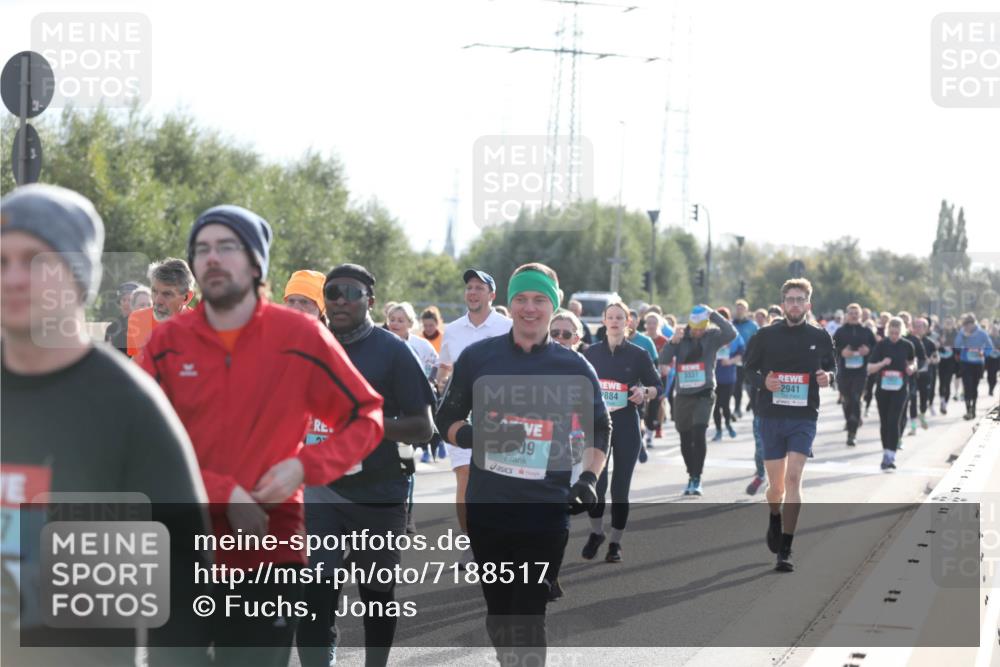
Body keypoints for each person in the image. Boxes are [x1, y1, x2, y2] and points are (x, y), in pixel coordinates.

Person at [138, 205, 385, 667]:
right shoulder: (167, 343)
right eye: (202, 249)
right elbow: (139, 444)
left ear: (256, 263)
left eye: (226, 247)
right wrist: (223, 492)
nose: (212, 258)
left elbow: (365, 415)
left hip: (270, 548)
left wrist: (304, 467)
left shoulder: (299, 336)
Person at [1, 184, 208, 667]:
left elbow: (183, 588)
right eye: (2, 260)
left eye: (35, 260)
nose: (13, 277)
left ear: (78, 277)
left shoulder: (129, 406)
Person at [435, 262, 611, 665]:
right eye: (521, 299)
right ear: (510, 304)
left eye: (539, 300)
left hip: (545, 509)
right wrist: (478, 437)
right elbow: (445, 420)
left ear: (553, 306)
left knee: (529, 612)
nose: (529, 308)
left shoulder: (572, 366)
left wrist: (588, 477)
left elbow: (600, 427)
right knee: (500, 614)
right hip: (488, 507)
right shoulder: (479, 358)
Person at [296, 264, 435, 667]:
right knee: (315, 591)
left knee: (376, 594)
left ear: (369, 301)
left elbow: (423, 427)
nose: (340, 300)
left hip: (379, 491)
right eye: (332, 293)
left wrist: (366, 424)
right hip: (320, 492)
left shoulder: (392, 351)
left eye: (351, 293)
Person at [744, 278, 836, 573]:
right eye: (790, 300)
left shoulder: (820, 336)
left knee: (794, 478)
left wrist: (828, 377)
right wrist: (764, 382)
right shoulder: (765, 335)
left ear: (808, 304)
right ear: (783, 304)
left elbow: (831, 367)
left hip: (804, 417)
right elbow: (748, 370)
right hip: (771, 416)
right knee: (776, 488)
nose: (795, 305)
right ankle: (774, 514)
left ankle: (786, 548)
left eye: (800, 299)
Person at [437, 269, 512, 567]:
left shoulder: (508, 327)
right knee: (465, 477)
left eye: (479, 287)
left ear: (491, 295)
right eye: (469, 287)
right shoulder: (454, 329)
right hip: (463, 415)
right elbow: (445, 366)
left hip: (501, 415)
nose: (472, 292)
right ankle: (470, 543)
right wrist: (442, 385)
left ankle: (501, 541)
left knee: (499, 480)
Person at [581, 301, 661, 563]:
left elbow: (657, 386)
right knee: (596, 484)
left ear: (628, 322)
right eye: (610, 317)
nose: (615, 321)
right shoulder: (591, 353)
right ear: (604, 321)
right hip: (598, 425)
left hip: (626, 423)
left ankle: (615, 542)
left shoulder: (638, 354)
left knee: (620, 489)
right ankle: (596, 533)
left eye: (619, 317)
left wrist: (644, 392)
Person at [658, 305, 737, 495]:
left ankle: (697, 477)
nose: (698, 332)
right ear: (690, 326)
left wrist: (713, 314)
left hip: (705, 392)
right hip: (683, 394)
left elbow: (731, 333)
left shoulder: (712, 337)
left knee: (698, 433)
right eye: (695, 329)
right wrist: (672, 342)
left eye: (702, 328)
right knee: (685, 438)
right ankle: (691, 473)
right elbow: (663, 360)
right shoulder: (680, 337)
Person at [744, 307, 784, 495]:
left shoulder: (795, 352)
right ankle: (761, 474)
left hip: (789, 410)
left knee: (783, 448)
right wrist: (762, 381)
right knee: (761, 445)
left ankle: (777, 482)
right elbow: (748, 370)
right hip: (763, 407)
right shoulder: (758, 343)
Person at [867, 317, 916, 470]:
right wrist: (883, 363)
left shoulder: (907, 345)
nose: (894, 336)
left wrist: (911, 368)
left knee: (894, 421)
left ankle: (890, 455)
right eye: (892, 333)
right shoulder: (881, 345)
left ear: (902, 332)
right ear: (888, 331)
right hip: (883, 389)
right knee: (885, 422)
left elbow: (913, 362)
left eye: (897, 333)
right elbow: (870, 368)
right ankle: (885, 453)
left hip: (900, 389)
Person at [126, 258, 195, 357]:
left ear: (186, 297)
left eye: (167, 294)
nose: (157, 301)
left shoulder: (201, 328)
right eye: (154, 291)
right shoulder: (137, 319)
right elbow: (136, 360)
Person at [832, 303, 876, 446]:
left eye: (856, 313)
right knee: (847, 400)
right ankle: (850, 421)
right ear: (847, 315)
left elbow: (876, 349)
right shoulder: (840, 331)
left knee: (856, 398)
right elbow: (831, 350)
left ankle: (852, 433)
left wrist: (868, 351)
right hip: (844, 372)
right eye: (851, 313)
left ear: (861, 315)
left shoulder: (866, 331)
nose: (854, 315)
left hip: (860, 372)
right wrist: (841, 352)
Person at [712, 307, 746, 441]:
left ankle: (728, 424)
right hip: (713, 376)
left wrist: (730, 361)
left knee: (724, 404)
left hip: (728, 375)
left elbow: (742, 353)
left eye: (723, 318)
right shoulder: (710, 334)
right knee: (715, 406)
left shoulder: (734, 334)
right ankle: (718, 431)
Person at [953, 312, 994, 419]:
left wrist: (983, 353)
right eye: (965, 325)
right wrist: (962, 335)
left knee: (974, 387)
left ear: (974, 323)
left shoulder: (982, 333)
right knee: (967, 386)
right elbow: (956, 345)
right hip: (965, 363)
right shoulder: (962, 333)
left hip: (978, 364)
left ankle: (973, 409)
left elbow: (990, 347)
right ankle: (968, 410)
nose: (967, 327)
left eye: (969, 324)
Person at [898, 311, 927, 437]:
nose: (903, 324)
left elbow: (922, 359)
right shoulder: (890, 340)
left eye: (906, 322)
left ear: (909, 324)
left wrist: (913, 367)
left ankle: (913, 427)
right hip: (894, 378)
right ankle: (898, 430)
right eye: (901, 321)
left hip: (910, 377)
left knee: (912, 401)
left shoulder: (914, 340)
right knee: (899, 405)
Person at [732, 299, 759, 419]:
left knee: (750, 384)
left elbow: (758, 342)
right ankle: (737, 408)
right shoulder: (731, 325)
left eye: (742, 309)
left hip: (750, 359)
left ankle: (753, 404)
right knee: (737, 385)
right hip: (736, 359)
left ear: (746, 311)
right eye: (738, 308)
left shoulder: (752, 326)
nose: (739, 311)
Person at [912, 317, 939, 429]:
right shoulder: (910, 341)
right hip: (913, 375)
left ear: (926, 329)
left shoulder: (930, 343)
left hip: (926, 374)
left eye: (921, 327)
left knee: (924, 398)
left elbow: (937, 358)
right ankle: (913, 425)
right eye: (916, 326)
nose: (918, 329)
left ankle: (922, 414)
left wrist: (931, 360)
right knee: (912, 398)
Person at [103, 281, 139, 354]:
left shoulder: (144, 325)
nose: (126, 303)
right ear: (119, 303)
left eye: (130, 300)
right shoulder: (112, 328)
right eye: (123, 300)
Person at [937, 315, 958, 414]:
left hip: (951, 361)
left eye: (950, 322)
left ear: (953, 324)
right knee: (941, 382)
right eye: (947, 322)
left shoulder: (956, 333)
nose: (948, 324)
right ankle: (942, 400)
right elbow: (935, 345)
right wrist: (940, 344)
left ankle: (945, 403)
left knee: (948, 382)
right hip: (941, 361)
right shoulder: (940, 332)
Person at [986, 322, 1000, 396]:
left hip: (997, 359)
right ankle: (990, 388)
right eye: (993, 330)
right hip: (989, 359)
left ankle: (992, 388)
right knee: (989, 375)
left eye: (996, 330)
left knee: (994, 376)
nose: (994, 332)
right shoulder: (988, 338)